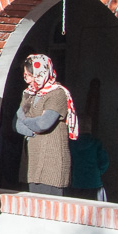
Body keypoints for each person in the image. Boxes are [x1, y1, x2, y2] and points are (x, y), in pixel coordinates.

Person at [16, 53, 78, 197]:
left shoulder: (57, 94)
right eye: (25, 75)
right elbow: (17, 124)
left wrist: (26, 120)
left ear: (41, 73)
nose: (27, 79)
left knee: (51, 205)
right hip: (33, 161)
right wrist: (31, 127)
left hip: (52, 161)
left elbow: (43, 124)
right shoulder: (29, 94)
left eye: (30, 75)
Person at [69, 119, 111, 201]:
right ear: (90, 128)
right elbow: (104, 162)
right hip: (94, 182)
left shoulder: (71, 144)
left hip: (77, 182)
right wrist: (98, 173)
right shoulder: (96, 143)